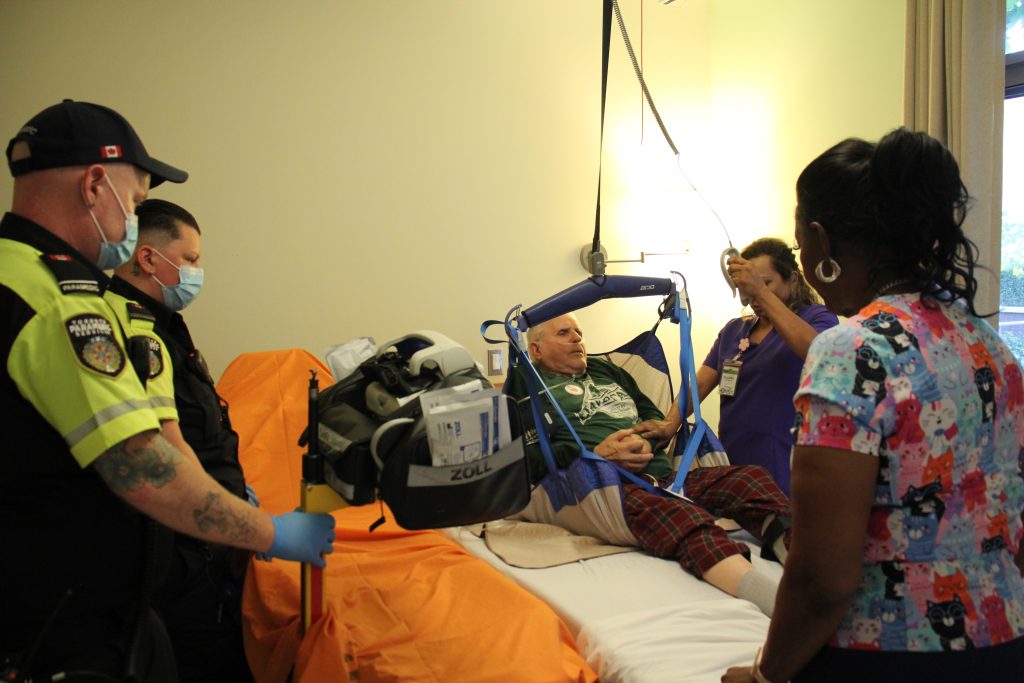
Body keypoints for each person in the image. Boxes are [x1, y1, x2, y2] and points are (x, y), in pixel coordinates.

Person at [0, 100, 335, 682]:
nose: (132, 217)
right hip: (58, 625)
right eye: (133, 201)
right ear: (95, 184)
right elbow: (141, 464)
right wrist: (270, 532)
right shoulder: (55, 302)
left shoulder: (24, 275)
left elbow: (156, 437)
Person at [722, 128, 1024, 683]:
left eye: (800, 242)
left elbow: (821, 579)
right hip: (1004, 643)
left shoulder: (850, 350)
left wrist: (767, 676)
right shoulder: (989, 345)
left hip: (888, 655)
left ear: (820, 241)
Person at [505, 312, 792, 617]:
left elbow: (657, 422)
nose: (577, 338)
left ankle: (803, 564)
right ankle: (781, 606)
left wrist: (648, 441)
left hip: (663, 477)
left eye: (578, 332)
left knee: (749, 479)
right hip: (604, 487)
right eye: (564, 333)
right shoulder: (524, 383)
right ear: (535, 349)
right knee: (680, 514)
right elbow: (523, 462)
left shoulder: (608, 371)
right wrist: (596, 452)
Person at [106, 199, 252, 681]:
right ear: (149, 259)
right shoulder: (127, 333)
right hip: (182, 560)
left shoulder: (166, 327)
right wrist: (255, 526)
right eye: (189, 260)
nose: (197, 272)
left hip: (210, 546)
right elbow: (163, 452)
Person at [639, 238, 838, 495]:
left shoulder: (816, 318)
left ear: (793, 279)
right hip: (735, 460)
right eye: (748, 285)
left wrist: (761, 293)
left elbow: (820, 353)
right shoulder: (734, 331)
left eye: (765, 282)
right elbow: (699, 384)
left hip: (787, 460)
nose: (753, 294)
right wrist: (670, 422)